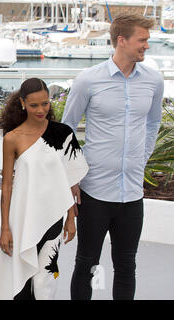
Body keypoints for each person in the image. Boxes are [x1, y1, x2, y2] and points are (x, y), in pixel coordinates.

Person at [62, 14, 164, 300]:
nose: (146, 46)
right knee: (86, 263)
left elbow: (152, 123)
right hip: (94, 190)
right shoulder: (88, 80)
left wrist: (140, 159)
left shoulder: (154, 81)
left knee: (126, 265)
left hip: (132, 193)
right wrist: (72, 176)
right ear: (122, 40)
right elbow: (66, 129)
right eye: (142, 40)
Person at [0, 78, 88, 300]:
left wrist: (71, 217)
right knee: (21, 278)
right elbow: (7, 185)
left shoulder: (63, 134)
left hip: (53, 216)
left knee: (44, 279)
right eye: (34, 105)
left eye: (45, 103)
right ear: (22, 103)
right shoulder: (12, 138)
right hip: (22, 217)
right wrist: (5, 228)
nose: (41, 110)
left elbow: (69, 179)